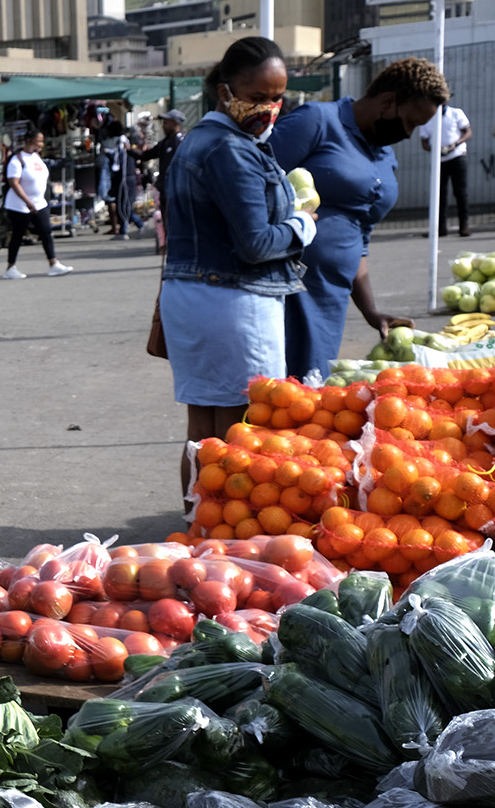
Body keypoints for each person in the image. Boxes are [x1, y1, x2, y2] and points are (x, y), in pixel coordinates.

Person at [160, 35, 315, 495]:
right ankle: (222, 524)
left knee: (203, 429)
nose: (269, 108)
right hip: (232, 302)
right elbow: (256, 243)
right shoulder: (229, 149)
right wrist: (302, 226)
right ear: (224, 90)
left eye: (277, 97)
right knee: (241, 429)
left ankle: (198, 519)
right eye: (258, 96)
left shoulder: (199, 141)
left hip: (194, 297)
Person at [270, 58, 445, 382]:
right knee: (279, 393)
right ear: (388, 102)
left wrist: (370, 311)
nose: (409, 134)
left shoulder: (383, 153)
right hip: (289, 289)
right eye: (410, 122)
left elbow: (358, 236)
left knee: (311, 392)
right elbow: (254, 184)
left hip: (330, 298)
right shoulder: (317, 121)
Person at [2, 131, 73, 279]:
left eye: (41, 141)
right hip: (19, 205)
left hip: (39, 203)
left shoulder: (36, 157)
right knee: (18, 235)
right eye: (38, 141)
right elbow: (14, 183)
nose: (41, 144)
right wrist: (27, 201)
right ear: (29, 140)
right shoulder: (17, 160)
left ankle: (53, 264)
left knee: (46, 231)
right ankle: (10, 268)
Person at [416, 100, 473, 237]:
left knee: (460, 193)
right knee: (439, 194)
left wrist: (455, 144)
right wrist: (436, 149)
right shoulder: (426, 118)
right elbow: (424, 142)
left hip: (457, 156)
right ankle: (440, 228)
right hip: (439, 160)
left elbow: (468, 132)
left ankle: (464, 226)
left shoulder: (456, 113)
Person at [138, 110, 186, 256]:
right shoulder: (165, 143)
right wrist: (132, 150)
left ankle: (179, 248)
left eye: (167, 123)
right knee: (166, 219)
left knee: (177, 220)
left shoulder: (182, 142)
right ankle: (167, 245)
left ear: (175, 123)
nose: (164, 126)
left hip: (178, 189)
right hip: (165, 188)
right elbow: (147, 155)